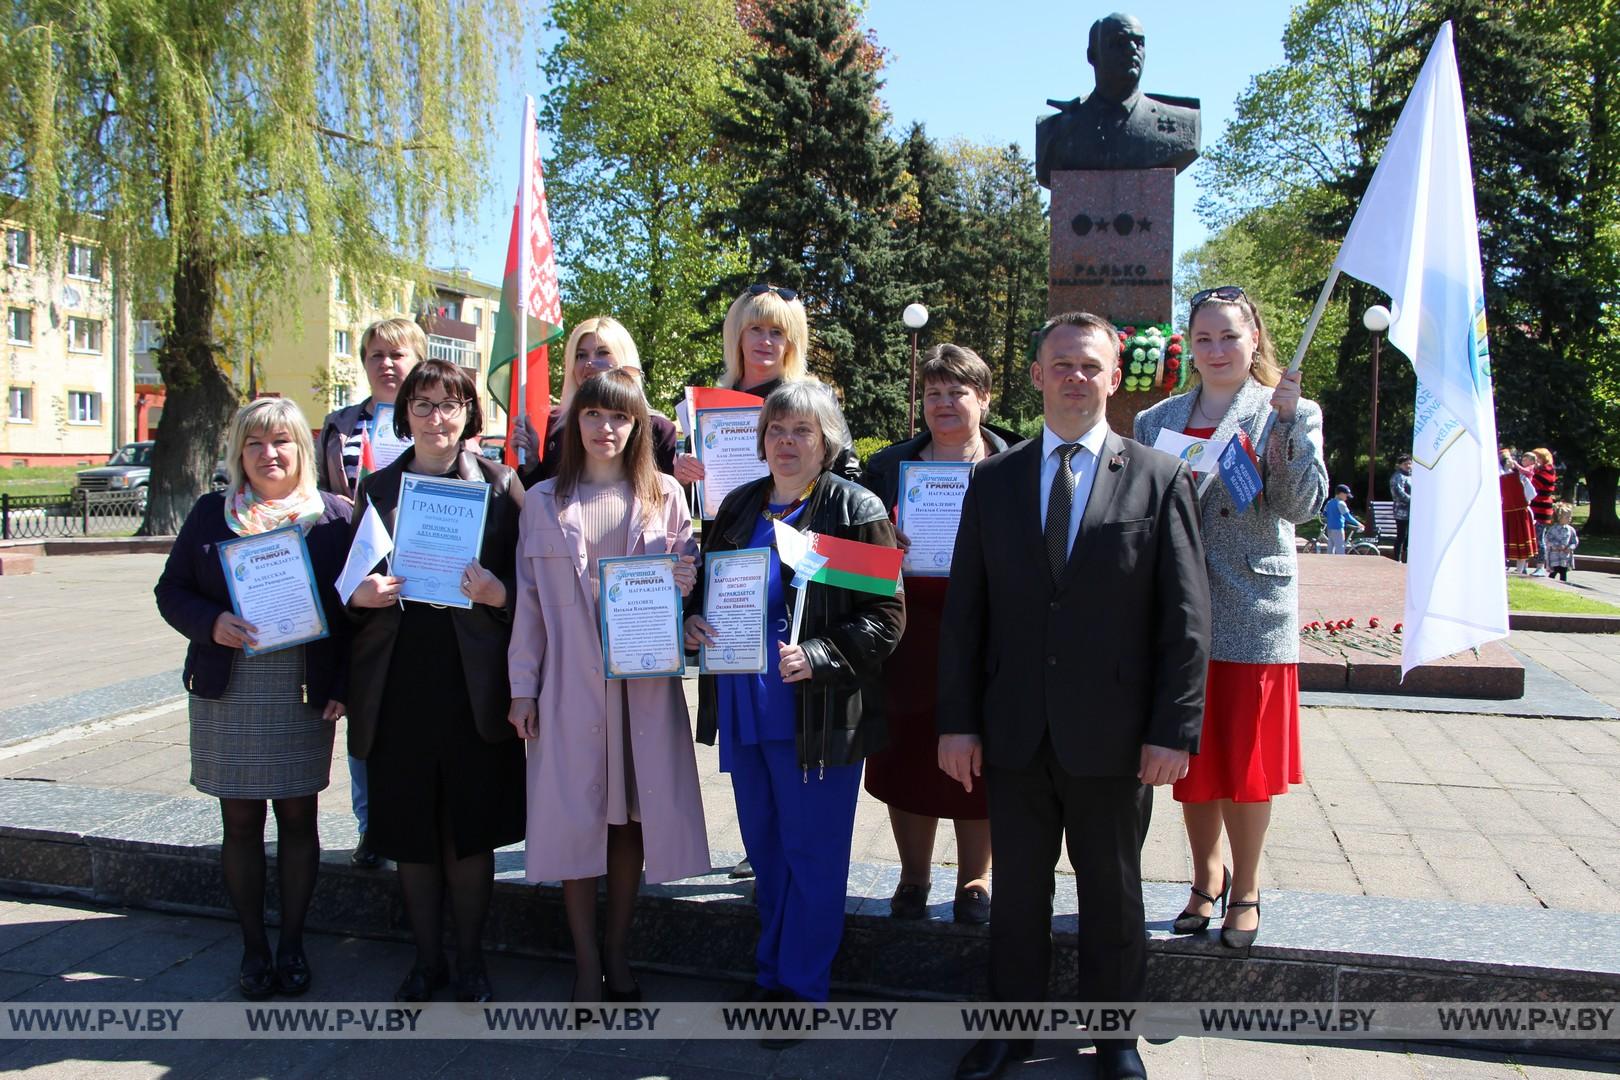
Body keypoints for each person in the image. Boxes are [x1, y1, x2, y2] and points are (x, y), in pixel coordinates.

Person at [940, 311, 1210, 1080]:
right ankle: (1010, 1031)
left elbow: (1185, 619)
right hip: (1015, 728)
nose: (1075, 377)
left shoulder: (1159, 478)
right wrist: (957, 722)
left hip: (1118, 735)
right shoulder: (993, 480)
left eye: (1090, 365)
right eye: (1061, 364)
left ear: (1114, 378)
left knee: (1114, 897)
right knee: (1018, 895)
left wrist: (1173, 729)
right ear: (1034, 375)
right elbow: (967, 613)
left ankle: (1115, 1039)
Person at [683, 381, 904, 1021]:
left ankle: (801, 990)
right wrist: (693, 619)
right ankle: (771, 969)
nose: (786, 442)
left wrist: (821, 655)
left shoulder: (850, 509)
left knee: (811, 854)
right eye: (776, 430)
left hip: (814, 713)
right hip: (745, 707)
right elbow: (711, 587)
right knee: (767, 852)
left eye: (802, 431)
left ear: (827, 441)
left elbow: (885, 614)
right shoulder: (739, 507)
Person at [1135, 286, 1329, 962]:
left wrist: (1292, 431)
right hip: (1177, 614)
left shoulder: (1287, 410)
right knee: (1191, 761)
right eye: (1205, 339)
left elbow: (1296, 506)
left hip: (1251, 611)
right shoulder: (1157, 418)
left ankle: (1245, 889)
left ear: (1255, 341)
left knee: (1244, 766)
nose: (1217, 351)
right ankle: (1204, 877)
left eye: (1230, 337)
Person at [507, 369, 710, 1003]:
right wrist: (523, 688)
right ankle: (584, 964)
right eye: (594, 415)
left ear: (637, 425)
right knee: (574, 822)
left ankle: (618, 957)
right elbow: (530, 607)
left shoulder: (665, 495)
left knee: (629, 820)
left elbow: (687, 587)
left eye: (620, 417)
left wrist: (685, 582)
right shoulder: (542, 501)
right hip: (567, 686)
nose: (607, 428)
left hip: (641, 687)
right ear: (574, 422)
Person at [155, 398, 352, 999]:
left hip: (300, 690)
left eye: (283, 442)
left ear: (302, 449)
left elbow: (355, 614)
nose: (270, 455)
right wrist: (210, 621)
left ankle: (292, 943)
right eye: (256, 444)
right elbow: (171, 591)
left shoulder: (334, 519)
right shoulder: (213, 516)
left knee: (298, 817)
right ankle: (253, 947)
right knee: (238, 820)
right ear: (239, 454)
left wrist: (342, 686)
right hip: (229, 686)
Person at [345, 359, 526, 1004]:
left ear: (469, 413)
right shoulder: (377, 488)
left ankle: (471, 961)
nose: (436, 417)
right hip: (400, 682)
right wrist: (360, 594)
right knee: (413, 835)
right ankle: (426, 962)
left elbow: (530, 592)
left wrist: (500, 594)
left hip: (474, 682)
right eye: (422, 405)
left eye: (450, 404)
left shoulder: (504, 486)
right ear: (405, 414)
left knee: (469, 830)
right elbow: (346, 586)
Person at [858, 345, 1019, 924]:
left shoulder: (1016, 462)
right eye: (933, 394)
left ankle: (976, 879)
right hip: (910, 634)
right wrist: (884, 545)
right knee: (908, 756)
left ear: (984, 398)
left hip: (988, 634)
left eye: (958, 392)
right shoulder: (887, 467)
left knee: (980, 756)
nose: (944, 404)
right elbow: (856, 549)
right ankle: (914, 876)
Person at [315, 316, 425, 870]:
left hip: (424, 585)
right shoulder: (339, 425)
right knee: (366, 712)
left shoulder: (442, 417)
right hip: (357, 581)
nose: (387, 364)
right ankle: (369, 827)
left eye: (398, 354)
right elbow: (326, 504)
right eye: (377, 354)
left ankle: (417, 825)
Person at [673, 284, 861, 490]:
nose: (766, 341)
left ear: (791, 342)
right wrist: (683, 475)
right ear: (739, 336)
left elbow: (849, 474)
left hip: (799, 521)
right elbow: (694, 499)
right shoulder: (710, 407)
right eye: (756, 329)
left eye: (776, 332)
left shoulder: (817, 398)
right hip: (729, 521)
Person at [1034, 12, 1200, 185]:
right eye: (1120, 42)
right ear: (1092, 55)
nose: (1132, 49)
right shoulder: (1055, 132)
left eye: (1139, 42)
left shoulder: (1182, 124)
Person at [509, 316, 679, 485]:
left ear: (623, 359)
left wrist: (686, 478)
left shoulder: (658, 429)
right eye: (581, 355)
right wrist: (531, 463)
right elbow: (544, 499)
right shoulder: (557, 424)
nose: (589, 363)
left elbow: (670, 502)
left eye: (602, 352)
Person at [1500, 449, 1538, 573]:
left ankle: (1515, 568)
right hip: (1519, 513)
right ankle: (1519, 569)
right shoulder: (1520, 477)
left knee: (1510, 539)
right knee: (1518, 540)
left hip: (1509, 513)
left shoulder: (1497, 478)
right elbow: (1531, 494)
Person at [1528, 449, 1558, 574]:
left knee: (1539, 538)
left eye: (1537, 458)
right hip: (1536, 508)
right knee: (1532, 537)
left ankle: (1540, 566)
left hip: (1541, 510)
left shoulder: (1546, 472)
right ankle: (1529, 564)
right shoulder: (1540, 471)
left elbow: (1534, 485)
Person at [1543, 502, 1579, 582]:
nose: (1569, 518)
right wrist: (1556, 546)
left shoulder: (1570, 530)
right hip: (1555, 556)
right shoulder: (1553, 529)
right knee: (1555, 571)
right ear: (1559, 517)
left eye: (1570, 516)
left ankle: (1563, 585)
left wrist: (1570, 547)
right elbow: (1548, 540)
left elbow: (1574, 540)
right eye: (1567, 516)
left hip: (1565, 557)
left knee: (1563, 572)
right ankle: (1549, 583)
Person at [1322, 485, 1362, 554]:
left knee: (1330, 549)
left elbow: (1325, 514)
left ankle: (1329, 563)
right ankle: (1340, 564)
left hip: (1330, 528)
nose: (1347, 497)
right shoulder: (1341, 503)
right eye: (1346, 495)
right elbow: (1347, 516)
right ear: (1341, 494)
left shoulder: (1329, 502)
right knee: (1340, 549)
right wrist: (1358, 524)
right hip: (1338, 529)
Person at [1389, 454, 1413, 563]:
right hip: (1401, 512)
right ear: (1400, 465)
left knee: (1409, 537)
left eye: (1409, 463)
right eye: (1405, 464)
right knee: (1401, 536)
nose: (1408, 466)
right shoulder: (1397, 477)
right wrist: (1412, 500)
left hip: (1412, 512)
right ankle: (1397, 559)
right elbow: (1398, 492)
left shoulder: (1412, 476)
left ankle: (1407, 560)